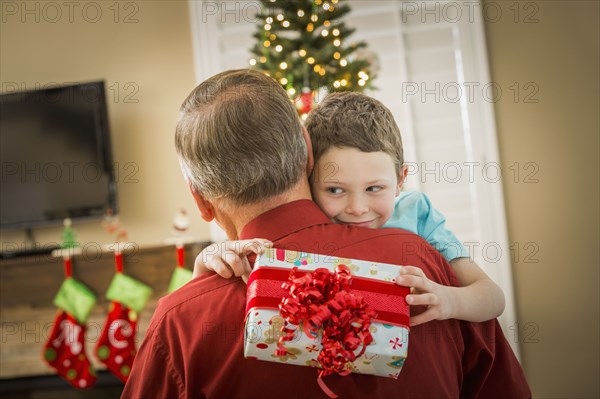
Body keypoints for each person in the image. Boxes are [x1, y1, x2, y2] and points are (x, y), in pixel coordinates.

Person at [122, 69, 530, 398]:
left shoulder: (180, 324)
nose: (358, 206)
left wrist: (195, 298)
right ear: (307, 148)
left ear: (200, 201)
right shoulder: (424, 267)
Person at [194, 92, 505, 326]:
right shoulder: (303, 223)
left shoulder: (417, 214)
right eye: (335, 190)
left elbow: (492, 296)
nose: (357, 208)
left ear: (400, 180)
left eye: (374, 189)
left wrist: (450, 300)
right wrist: (208, 258)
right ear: (309, 176)